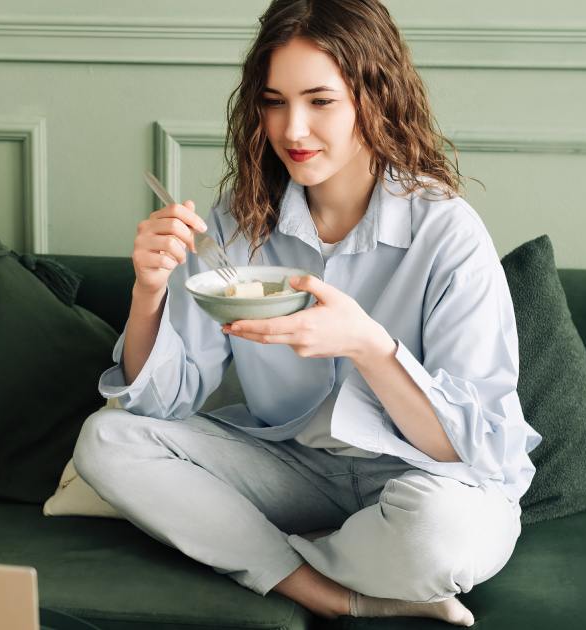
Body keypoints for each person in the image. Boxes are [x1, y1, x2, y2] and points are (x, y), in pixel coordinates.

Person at [72, 0, 542, 626]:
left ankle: (254, 552)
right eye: (274, 102)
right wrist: (149, 292)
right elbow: (164, 402)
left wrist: (369, 348)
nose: (292, 130)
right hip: (289, 468)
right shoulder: (236, 226)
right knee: (106, 439)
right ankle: (328, 592)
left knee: (442, 533)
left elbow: (470, 449)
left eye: (320, 101)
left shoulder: (446, 232)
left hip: (420, 475)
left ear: (373, 97)